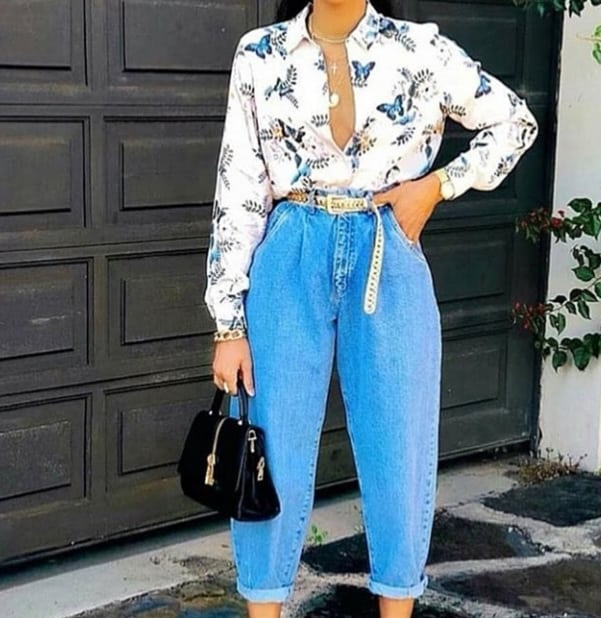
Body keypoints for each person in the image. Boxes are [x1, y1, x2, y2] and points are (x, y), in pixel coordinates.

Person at [204, 0, 538, 616]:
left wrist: (435, 187)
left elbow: (515, 122)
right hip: (290, 250)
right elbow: (240, 186)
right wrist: (228, 322)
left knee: (399, 447)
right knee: (270, 448)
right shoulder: (259, 53)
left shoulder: (419, 49)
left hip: (387, 247)